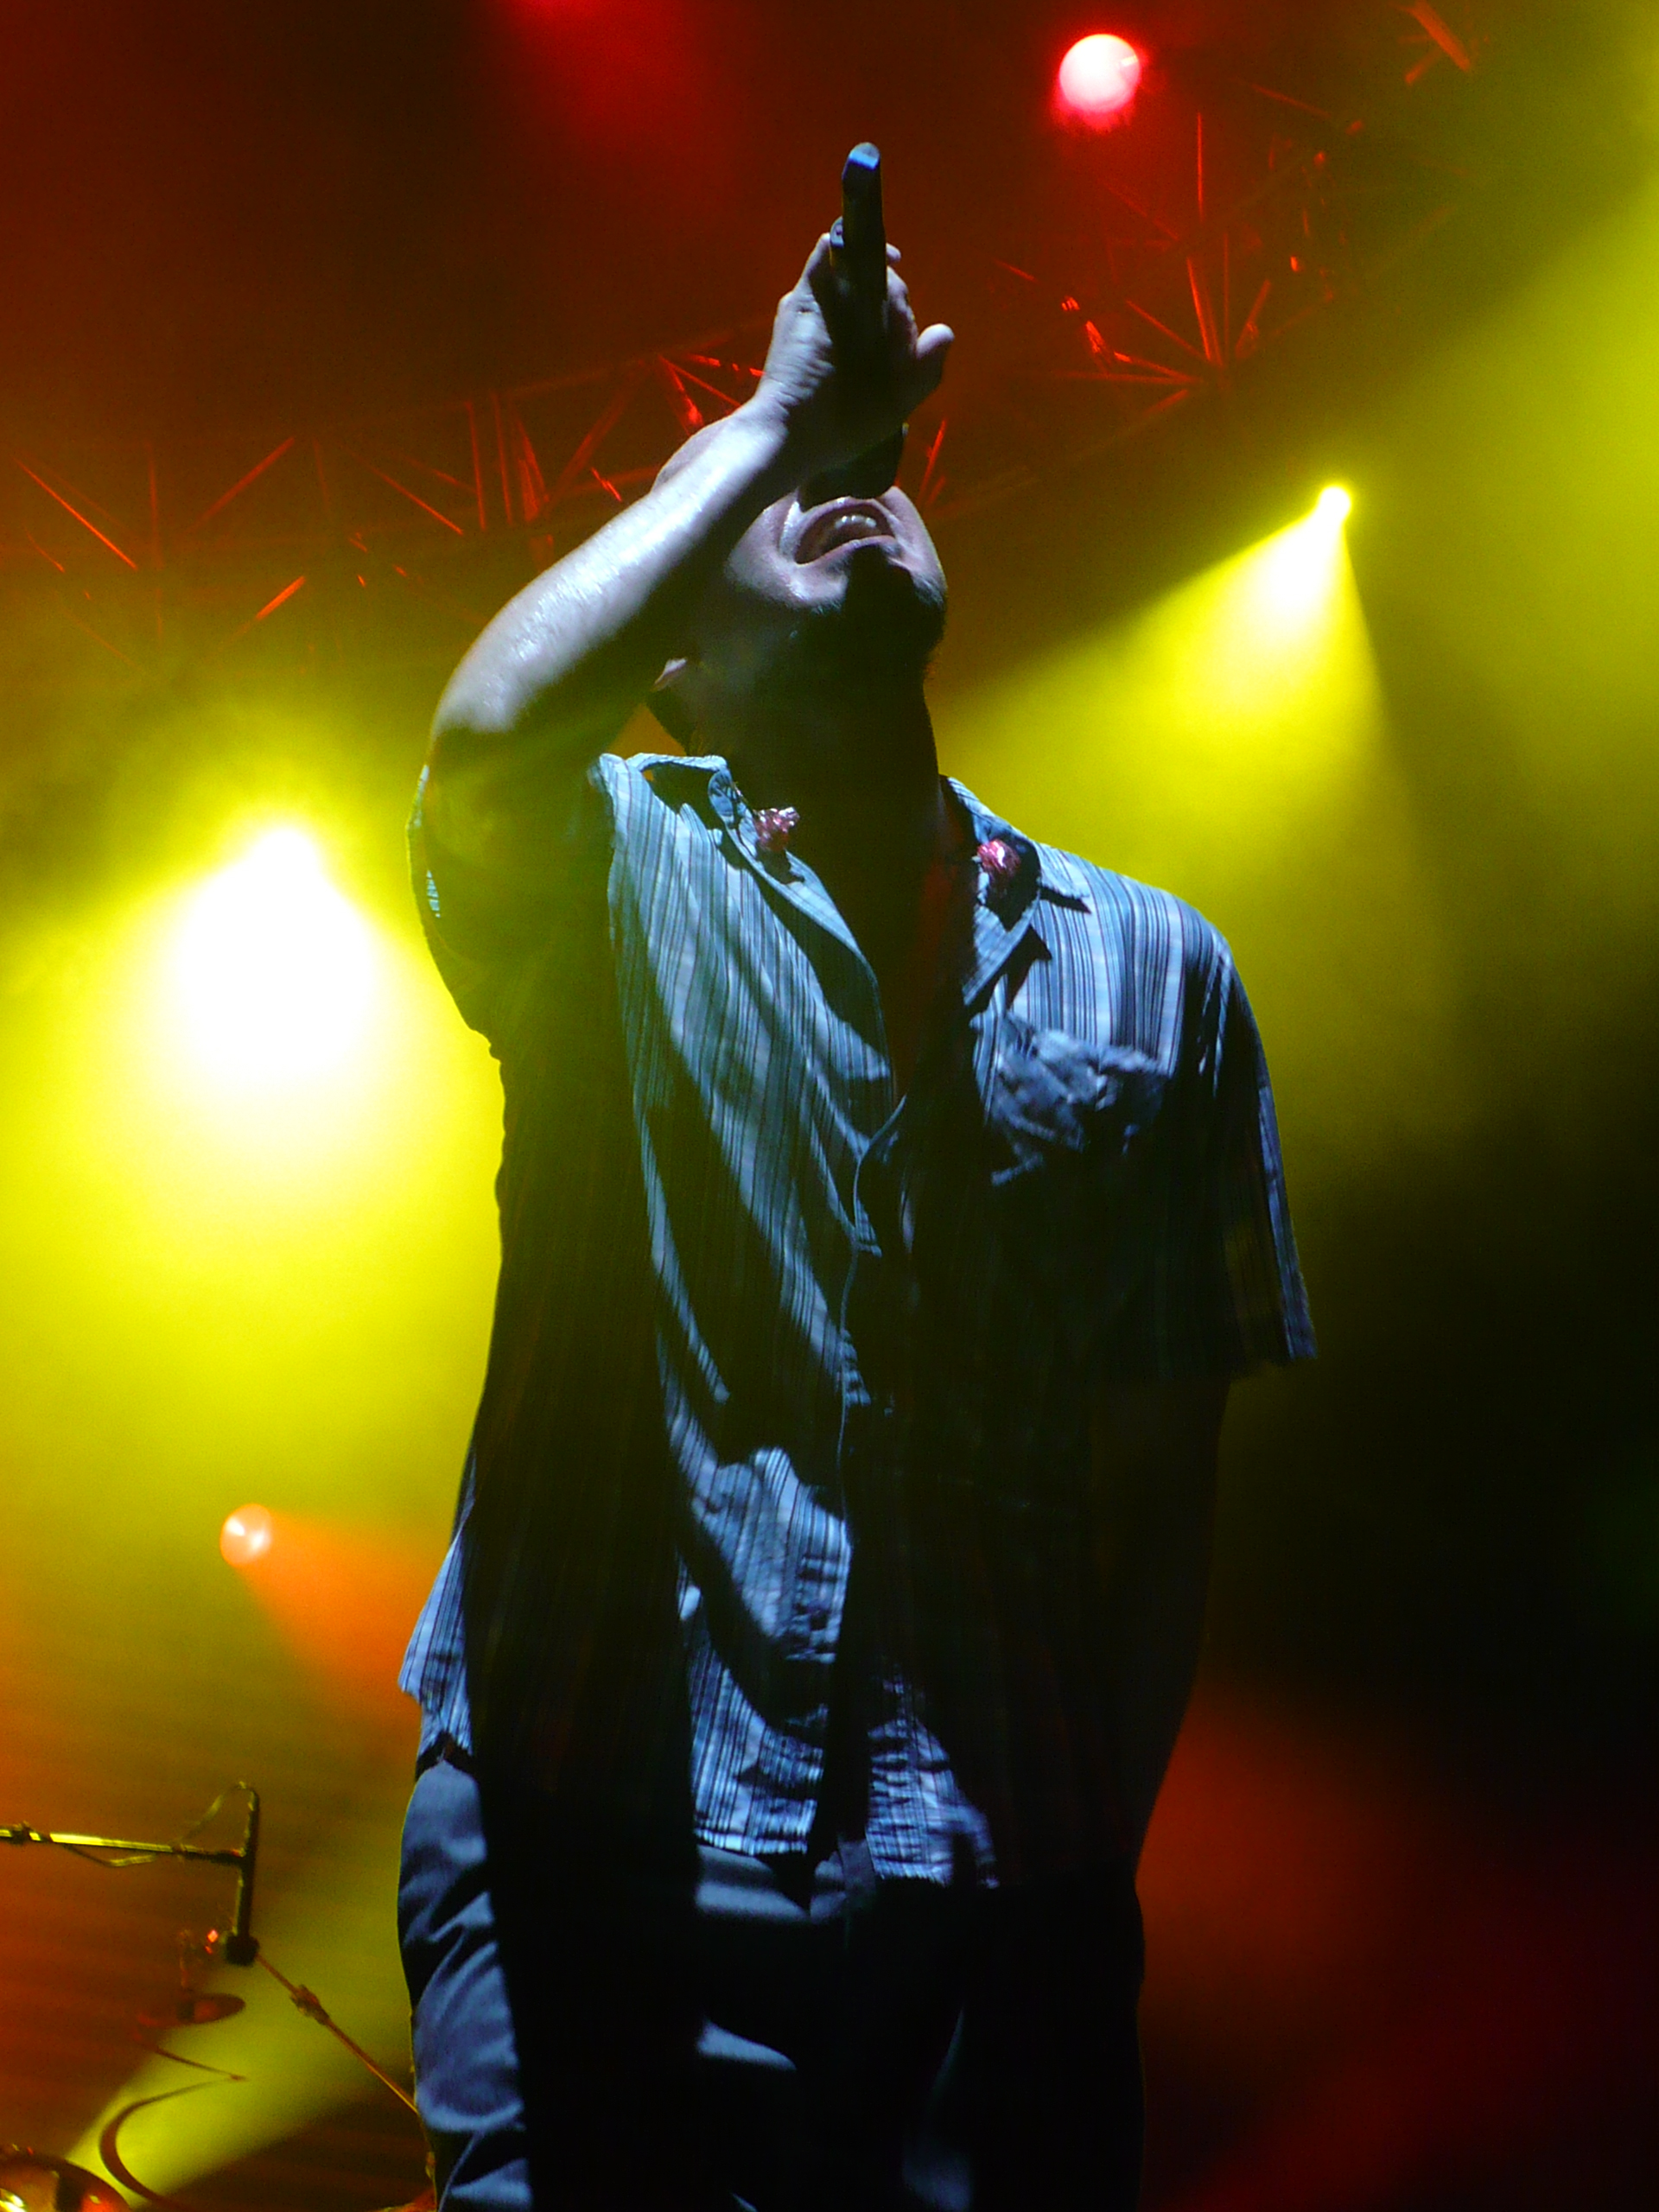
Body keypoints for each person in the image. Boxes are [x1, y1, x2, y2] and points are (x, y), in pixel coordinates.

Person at [395, 213, 1313, 2212]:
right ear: (673, 659)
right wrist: (776, 416)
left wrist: (1075, 1854)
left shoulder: (1161, 968)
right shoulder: (607, 868)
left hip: (986, 1906)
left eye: (872, 475)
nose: (849, 490)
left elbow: (1160, 1482)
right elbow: (483, 740)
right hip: (589, 1846)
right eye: (775, 502)